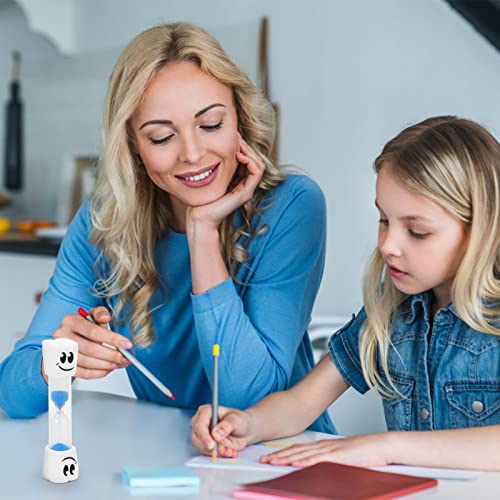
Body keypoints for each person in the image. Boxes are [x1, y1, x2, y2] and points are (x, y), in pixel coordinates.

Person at [0, 22, 333, 433]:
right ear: (134, 149)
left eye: (211, 125)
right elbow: (12, 395)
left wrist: (203, 231)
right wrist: (55, 362)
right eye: (161, 137)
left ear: (240, 120)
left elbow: (245, 401)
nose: (192, 154)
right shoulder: (103, 222)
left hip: (285, 462)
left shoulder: (291, 206)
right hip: (176, 464)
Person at [191, 116, 500, 471]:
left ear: (481, 229)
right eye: (384, 221)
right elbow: (301, 403)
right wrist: (246, 424)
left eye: (416, 231)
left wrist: (385, 447)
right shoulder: (390, 312)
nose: (388, 246)